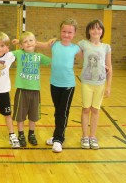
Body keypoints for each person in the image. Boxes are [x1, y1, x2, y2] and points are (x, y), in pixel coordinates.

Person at [40, 19, 81, 153]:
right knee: (58, 111)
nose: (66, 34)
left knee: (63, 112)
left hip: (68, 85)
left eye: (70, 32)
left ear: (74, 34)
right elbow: (40, 45)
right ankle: (57, 134)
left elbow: (91, 56)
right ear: (60, 32)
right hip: (54, 84)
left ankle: (59, 139)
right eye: (64, 31)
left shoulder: (76, 48)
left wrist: (103, 65)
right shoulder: (54, 44)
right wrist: (23, 42)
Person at [11, 31, 51, 147]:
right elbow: (4, 55)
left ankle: (31, 134)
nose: (28, 43)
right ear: (21, 45)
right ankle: (21, 134)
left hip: (35, 91)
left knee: (33, 115)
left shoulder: (39, 56)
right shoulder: (18, 53)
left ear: (35, 43)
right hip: (22, 90)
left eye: (31, 40)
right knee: (20, 114)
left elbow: (52, 62)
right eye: (25, 41)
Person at [79, 19, 112, 150]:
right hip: (87, 83)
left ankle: (92, 136)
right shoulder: (83, 44)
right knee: (86, 109)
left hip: (100, 83)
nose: (96, 31)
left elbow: (109, 67)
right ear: (88, 31)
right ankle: (85, 136)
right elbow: (75, 52)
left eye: (99, 28)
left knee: (96, 110)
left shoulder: (106, 47)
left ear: (102, 31)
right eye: (93, 28)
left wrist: (108, 86)